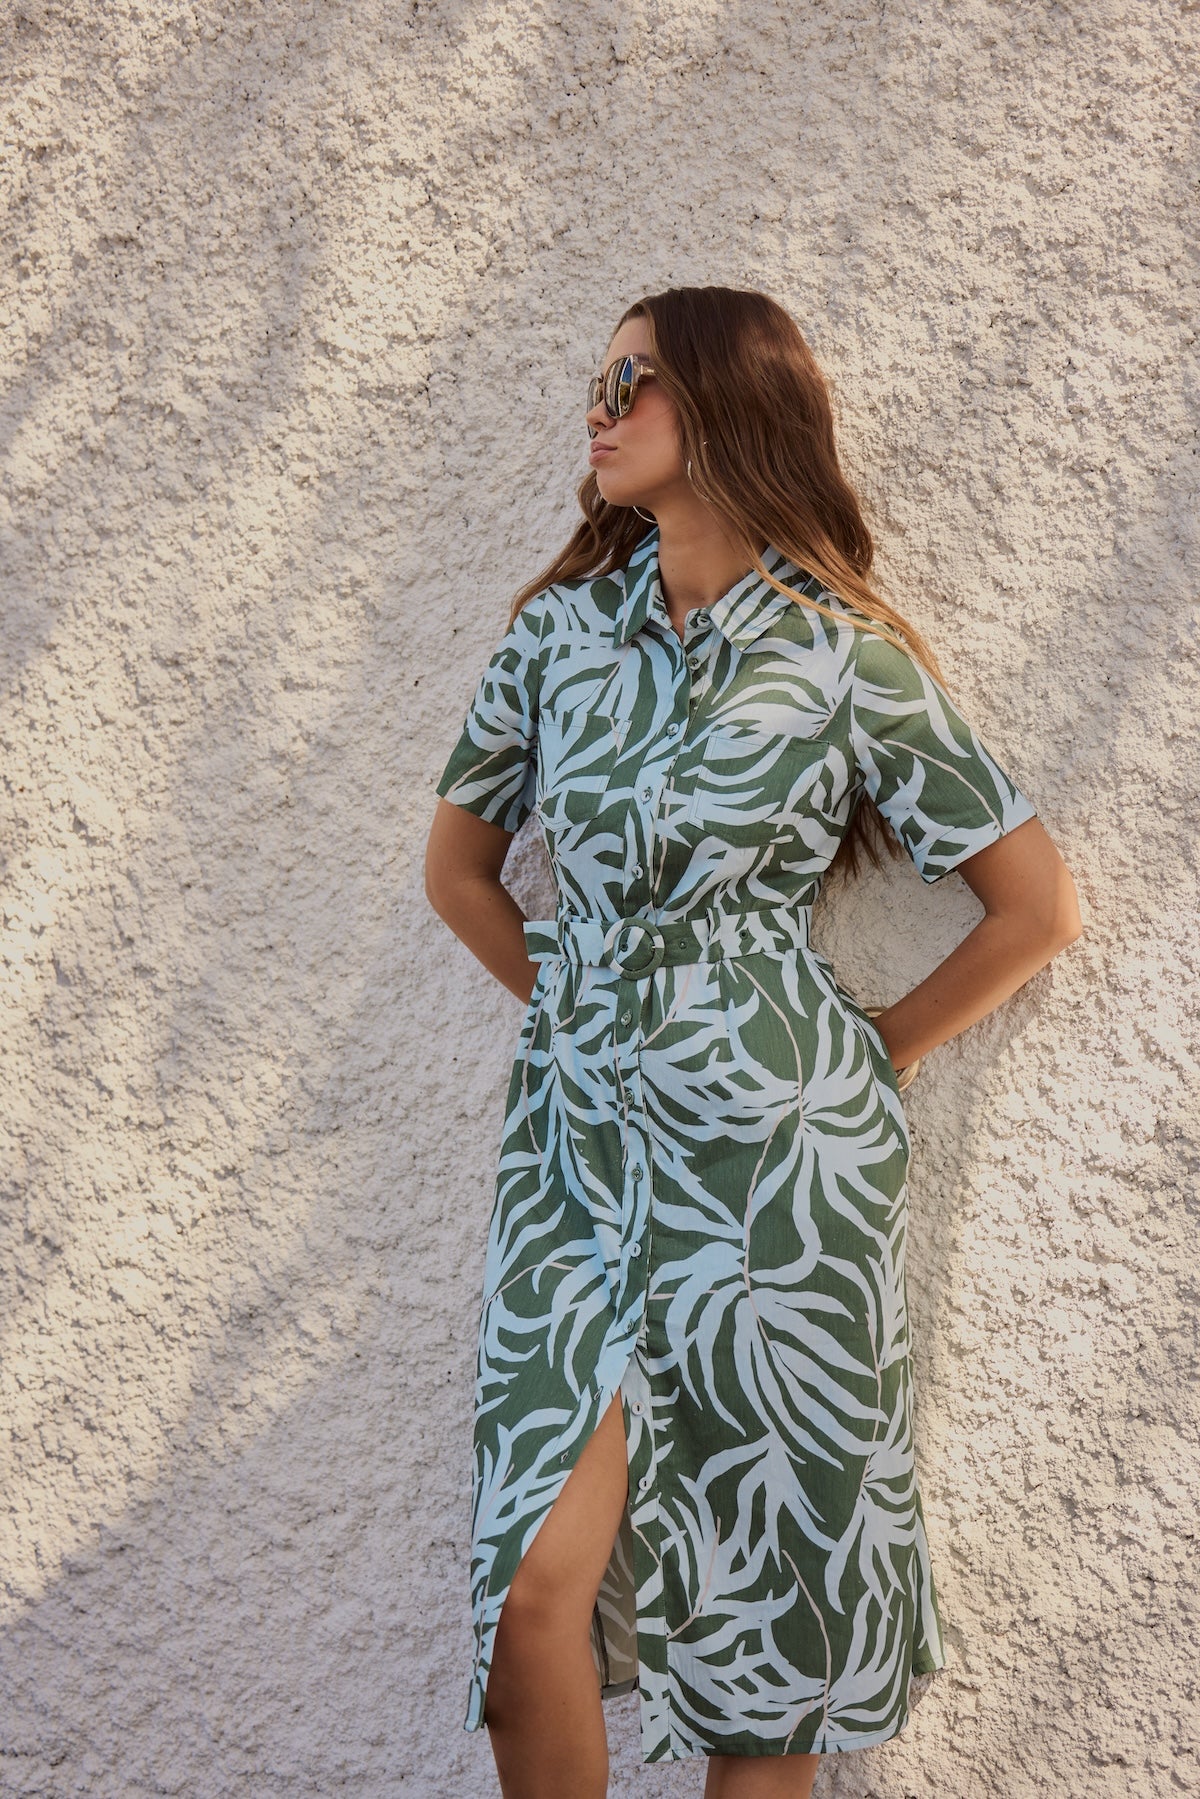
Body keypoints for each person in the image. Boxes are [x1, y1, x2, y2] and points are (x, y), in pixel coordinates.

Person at [423, 285, 1082, 1799]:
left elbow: (1033, 903)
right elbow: (458, 875)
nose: (599, 405)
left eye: (632, 379)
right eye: (598, 377)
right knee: (534, 1595)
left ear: (724, 404)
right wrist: (591, 1007)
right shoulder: (557, 642)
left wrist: (875, 1055)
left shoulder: (841, 652)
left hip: (781, 1172)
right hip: (578, 1160)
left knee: (763, 1659)